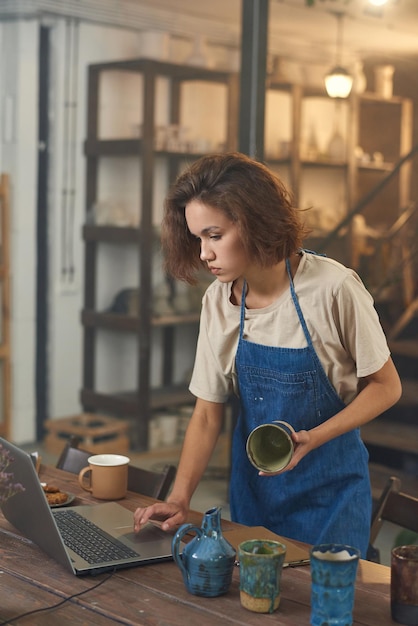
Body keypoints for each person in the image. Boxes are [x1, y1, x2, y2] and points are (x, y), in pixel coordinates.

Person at [133, 152, 402, 557]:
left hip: (332, 496)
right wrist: (179, 499)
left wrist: (315, 437)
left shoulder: (334, 289)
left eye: (215, 235)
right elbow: (207, 413)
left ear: (255, 221)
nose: (204, 253)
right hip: (255, 495)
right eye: (197, 238)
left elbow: (386, 387)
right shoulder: (218, 301)